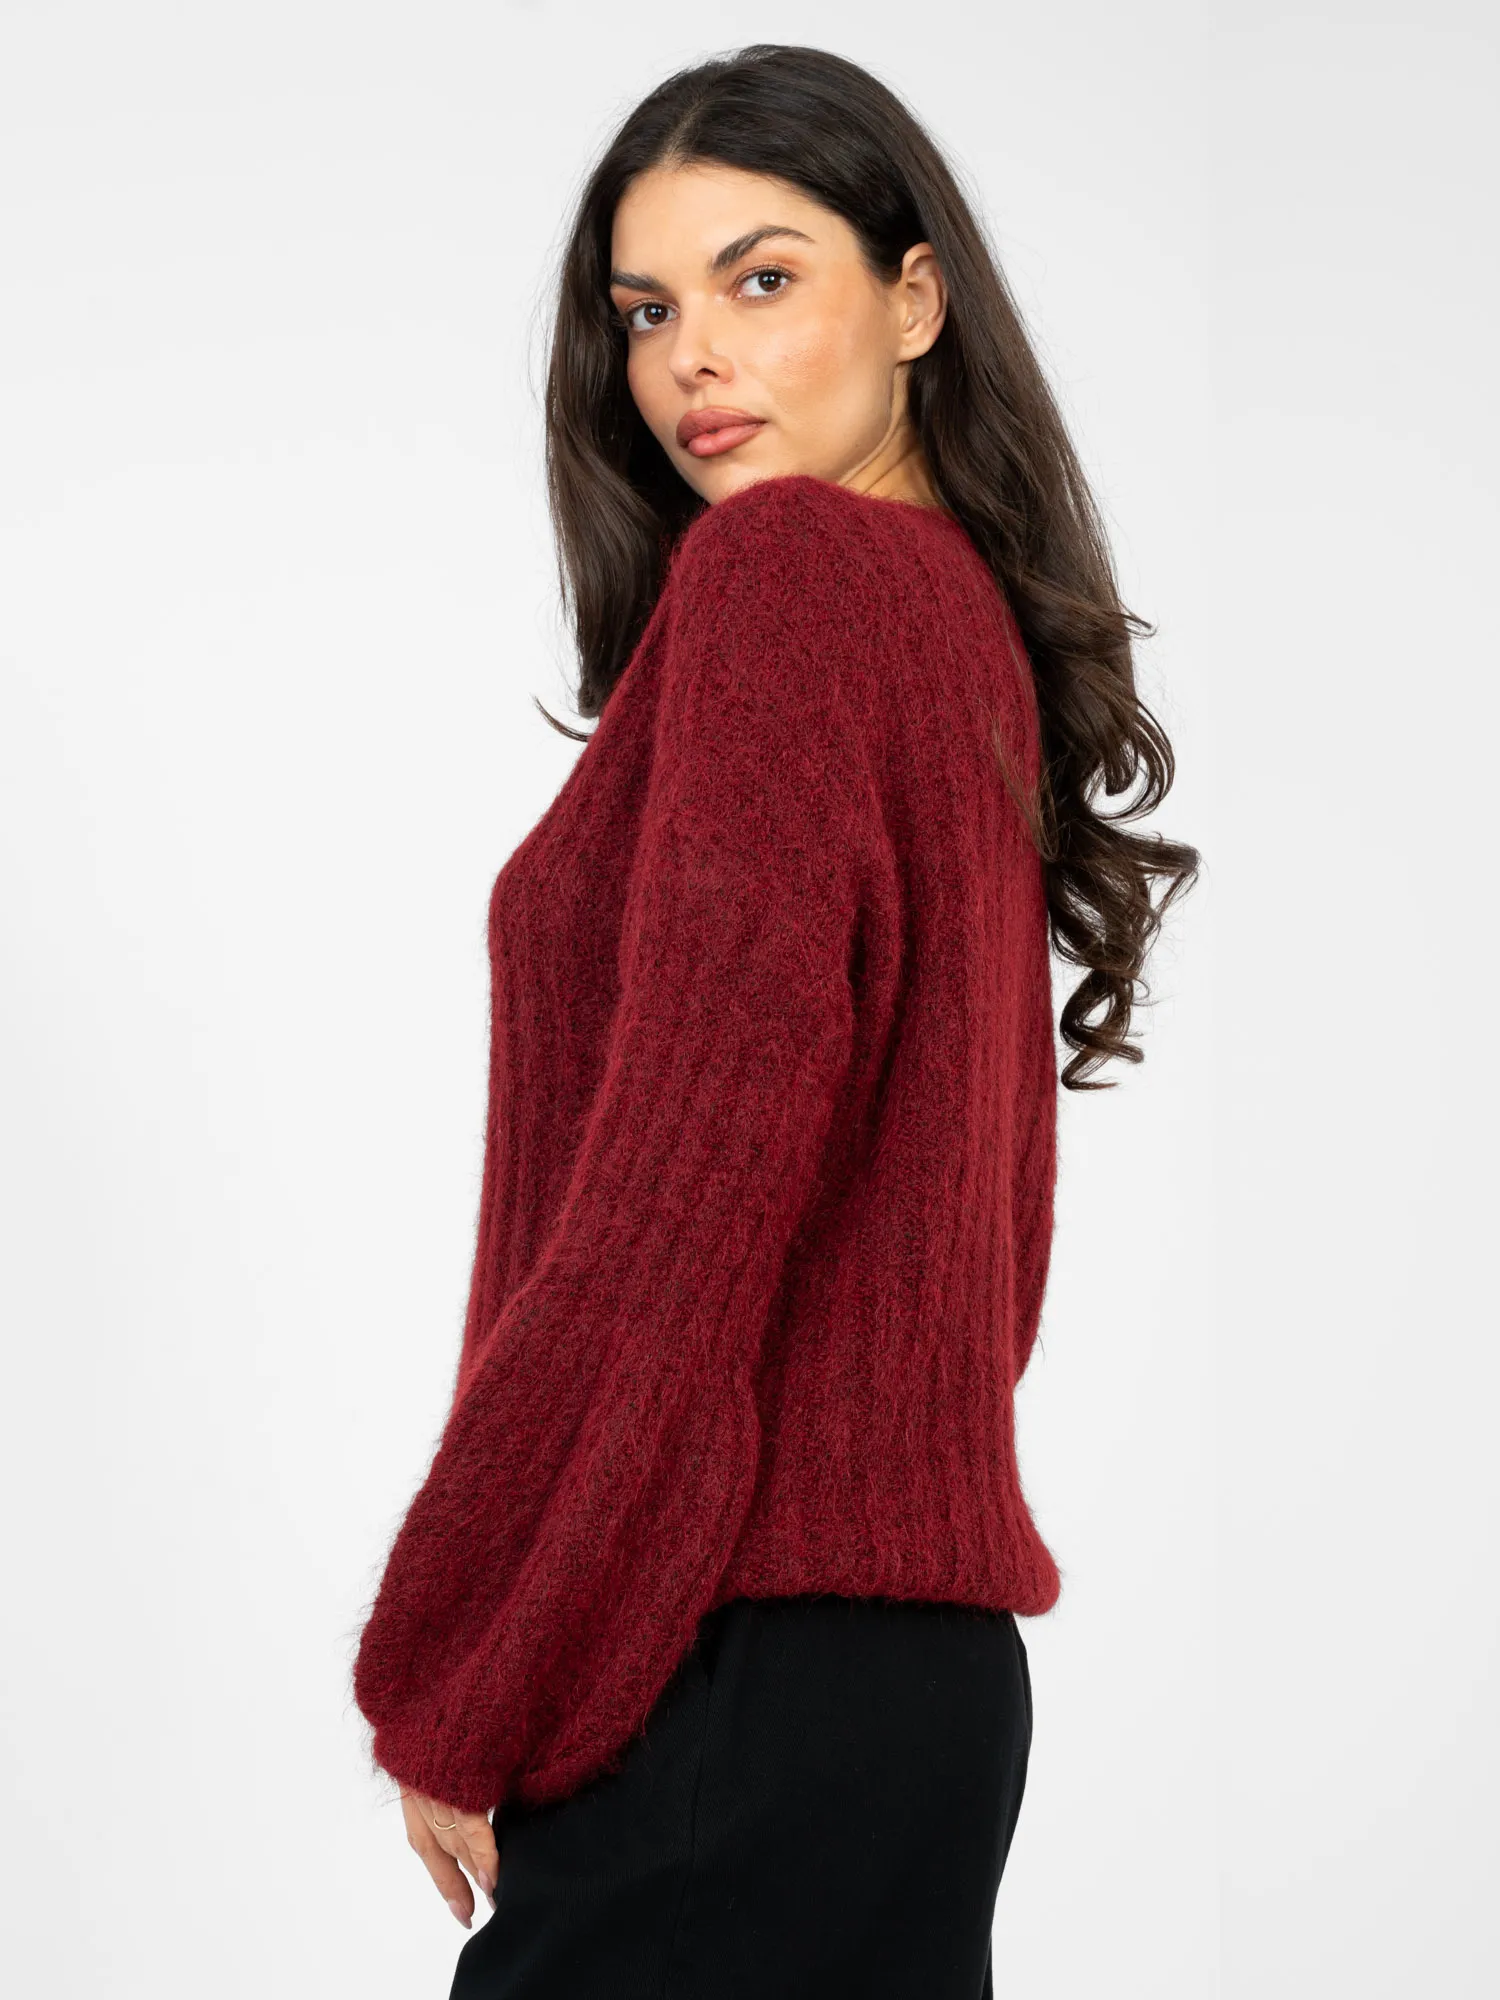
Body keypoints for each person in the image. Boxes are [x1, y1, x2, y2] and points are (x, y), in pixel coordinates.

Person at [351, 41, 1198, 1999]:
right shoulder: (956, 620)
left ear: (916, 299)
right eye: (646, 310)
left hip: (720, 1668)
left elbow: (688, 1185)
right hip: (903, 1686)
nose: (692, 362)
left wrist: (472, 1661)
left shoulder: (788, 573)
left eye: (761, 278)